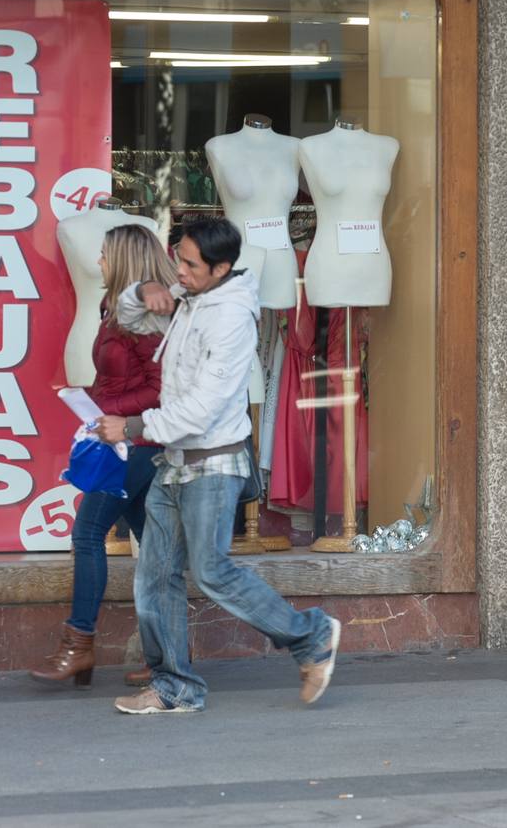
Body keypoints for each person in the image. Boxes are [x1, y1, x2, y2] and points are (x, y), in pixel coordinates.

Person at [95, 218, 340, 714]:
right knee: (154, 575)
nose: (178, 272)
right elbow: (125, 313)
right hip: (175, 462)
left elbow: (201, 410)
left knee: (210, 571)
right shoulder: (190, 299)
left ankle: (310, 634)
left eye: (188, 265)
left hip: (213, 463)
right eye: (177, 260)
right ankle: (174, 687)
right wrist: (144, 289)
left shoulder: (229, 318)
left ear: (221, 268)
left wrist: (133, 427)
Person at [30, 224, 174, 687]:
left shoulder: (147, 320)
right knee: (151, 546)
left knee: (89, 532)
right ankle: (166, 654)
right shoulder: (113, 306)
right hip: (117, 439)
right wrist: (87, 402)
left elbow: (158, 390)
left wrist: (106, 410)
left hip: (137, 443)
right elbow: (120, 380)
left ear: (129, 260)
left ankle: (79, 646)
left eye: (107, 255)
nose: (99, 263)